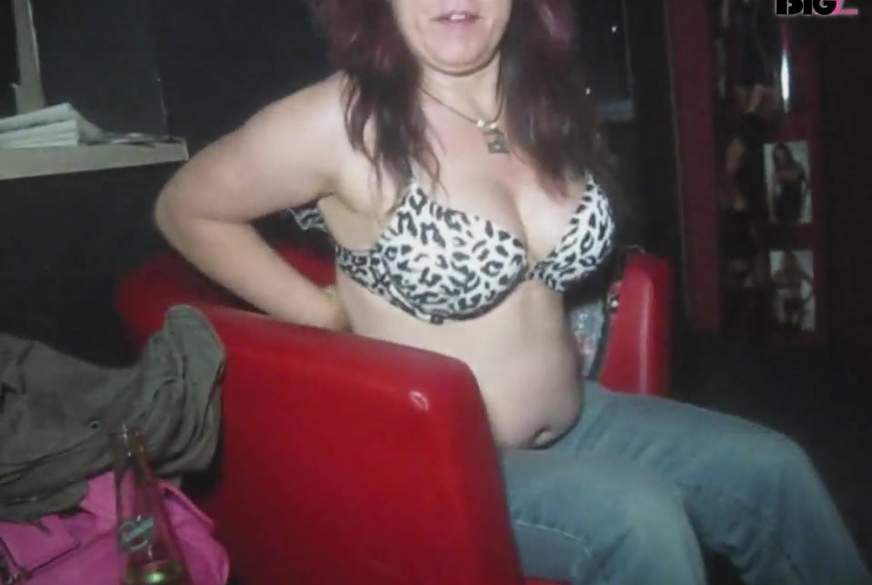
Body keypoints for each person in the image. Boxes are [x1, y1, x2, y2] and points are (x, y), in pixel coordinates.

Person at [154, 1, 870, 583]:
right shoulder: (342, 121)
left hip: (582, 415)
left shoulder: (542, 105)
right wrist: (317, 313)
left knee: (776, 469)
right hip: (447, 466)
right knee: (642, 520)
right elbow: (186, 208)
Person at [772, 250, 814, 332]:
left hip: (798, 302)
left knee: (797, 327)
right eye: (787, 259)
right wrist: (777, 301)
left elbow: (814, 284)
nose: (789, 262)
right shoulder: (779, 274)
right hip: (785, 303)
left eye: (790, 259)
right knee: (786, 327)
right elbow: (770, 288)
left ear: (794, 260)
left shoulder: (799, 272)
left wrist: (807, 299)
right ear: (784, 261)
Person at [770, 142, 809, 224]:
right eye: (778, 156)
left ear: (787, 153)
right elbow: (773, 193)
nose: (781, 157)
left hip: (796, 203)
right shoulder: (777, 170)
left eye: (782, 154)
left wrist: (803, 199)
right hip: (782, 205)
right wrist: (772, 212)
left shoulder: (798, 166)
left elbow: (808, 184)